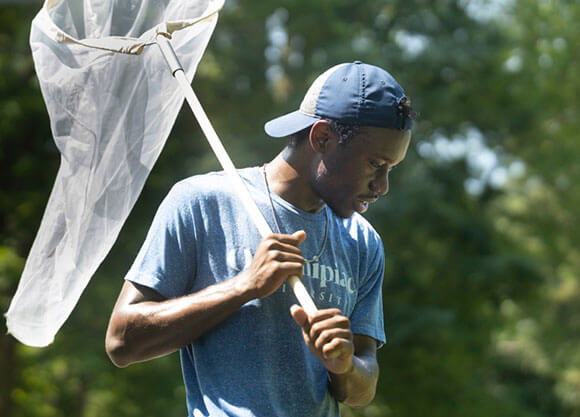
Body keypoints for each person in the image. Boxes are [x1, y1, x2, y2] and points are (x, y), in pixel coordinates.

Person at [105, 61, 415, 417]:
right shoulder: (201, 202)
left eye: (391, 169)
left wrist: (344, 367)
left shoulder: (363, 242)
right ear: (323, 138)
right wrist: (243, 286)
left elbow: (364, 388)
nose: (383, 187)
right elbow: (122, 341)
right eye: (376, 165)